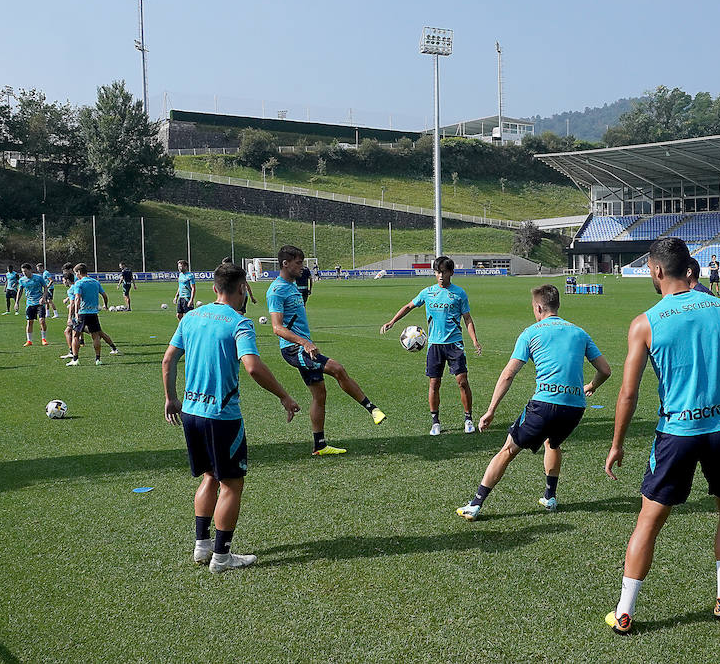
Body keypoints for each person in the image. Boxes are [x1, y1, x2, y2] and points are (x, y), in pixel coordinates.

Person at [604, 237, 720, 635]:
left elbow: (628, 393)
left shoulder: (645, 322)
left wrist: (617, 443)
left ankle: (625, 612)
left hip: (676, 433)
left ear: (658, 270)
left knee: (648, 521)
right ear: (690, 269)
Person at [162, 262, 302, 573]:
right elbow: (251, 365)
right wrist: (284, 395)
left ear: (214, 288)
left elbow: (169, 358)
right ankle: (222, 557)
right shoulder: (239, 323)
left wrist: (171, 398)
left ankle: (202, 546)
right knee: (232, 484)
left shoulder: (190, 317)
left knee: (210, 476)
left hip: (191, 412)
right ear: (242, 289)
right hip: (221, 416)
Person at [456, 285, 611, 519]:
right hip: (575, 407)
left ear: (538, 307)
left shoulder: (531, 333)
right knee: (553, 443)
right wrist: (590, 386)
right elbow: (605, 370)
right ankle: (550, 497)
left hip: (544, 405)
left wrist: (490, 410)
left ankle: (475, 504)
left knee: (507, 450)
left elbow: (508, 374)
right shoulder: (580, 333)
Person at [268, 245, 387, 455]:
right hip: (294, 349)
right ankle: (373, 409)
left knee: (320, 394)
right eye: (298, 263)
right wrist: (304, 343)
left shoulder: (293, 286)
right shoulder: (277, 290)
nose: (302, 267)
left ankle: (319, 445)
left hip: (303, 347)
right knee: (337, 369)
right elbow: (277, 328)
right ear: (285, 263)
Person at [380, 255, 482, 435]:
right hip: (434, 345)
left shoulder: (459, 293)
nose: (440, 275)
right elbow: (409, 306)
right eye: (437, 272)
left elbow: (467, 319)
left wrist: (474, 340)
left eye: (443, 271)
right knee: (434, 383)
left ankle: (468, 419)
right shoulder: (427, 292)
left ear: (451, 272)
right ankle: (435, 422)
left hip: (454, 344)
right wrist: (392, 321)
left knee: (462, 382)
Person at [67, 263, 120, 366]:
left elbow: (77, 298)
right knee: (96, 336)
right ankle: (98, 359)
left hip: (82, 313)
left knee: (76, 335)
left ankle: (75, 359)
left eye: (76, 273)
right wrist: (105, 305)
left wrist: (76, 313)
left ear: (79, 272)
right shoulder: (95, 282)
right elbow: (104, 295)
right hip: (93, 313)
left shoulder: (79, 283)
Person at [18, 263, 49, 346]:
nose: (24, 273)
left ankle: (43, 339)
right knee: (29, 322)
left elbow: (45, 287)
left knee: (42, 321)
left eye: (25, 271)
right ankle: (29, 340)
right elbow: (20, 291)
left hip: (40, 303)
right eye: (22, 272)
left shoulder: (38, 278)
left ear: (30, 270)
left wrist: (43, 297)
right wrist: (17, 302)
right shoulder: (22, 280)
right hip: (30, 303)